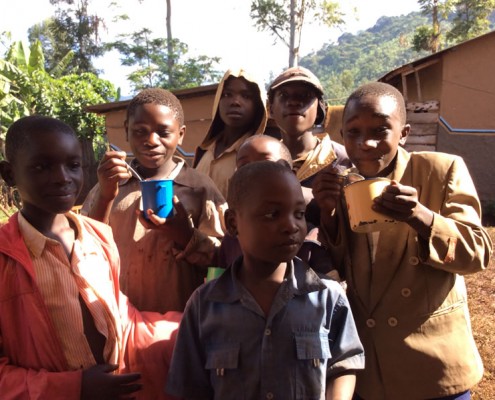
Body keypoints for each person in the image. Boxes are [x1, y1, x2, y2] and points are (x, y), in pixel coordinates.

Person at [313, 82, 493, 400]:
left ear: (404, 133)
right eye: (353, 132)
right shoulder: (344, 185)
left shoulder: (440, 171)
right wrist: (327, 214)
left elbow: (477, 254)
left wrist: (421, 217)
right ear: (342, 138)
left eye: (380, 130)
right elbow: (343, 271)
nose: (365, 143)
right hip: (369, 370)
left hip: (432, 366)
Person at [0, 115, 181, 400]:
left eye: (73, 166)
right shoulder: (5, 258)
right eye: (41, 167)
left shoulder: (99, 237)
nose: (62, 178)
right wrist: (75, 388)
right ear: (9, 174)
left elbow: (120, 320)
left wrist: (187, 329)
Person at [166, 161, 364, 399]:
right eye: (272, 214)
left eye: (299, 214)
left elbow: (344, 364)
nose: (291, 226)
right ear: (232, 223)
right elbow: (189, 386)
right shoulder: (204, 305)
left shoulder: (328, 297)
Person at [82, 87, 226, 313]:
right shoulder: (111, 185)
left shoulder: (199, 188)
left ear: (181, 134)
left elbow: (223, 256)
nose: (151, 140)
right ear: (127, 131)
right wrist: (105, 195)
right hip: (120, 318)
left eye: (163, 132)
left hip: (179, 323)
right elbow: (85, 247)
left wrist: (186, 237)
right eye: (140, 131)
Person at [216, 134, 340, 280]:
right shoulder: (231, 241)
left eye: (299, 214)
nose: (255, 174)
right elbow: (217, 285)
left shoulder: (310, 242)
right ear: (232, 223)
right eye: (245, 166)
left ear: (292, 176)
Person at [267, 65, 352, 228]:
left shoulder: (342, 161)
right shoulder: (263, 161)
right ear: (270, 108)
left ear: (321, 109)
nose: (293, 102)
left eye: (305, 96)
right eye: (284, 95)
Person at [193, 68, 268, 198]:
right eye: (227, 94)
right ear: (218, 101)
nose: (235, 102)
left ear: (258, 105)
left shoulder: (259, 156)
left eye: (246, 96)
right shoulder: (203, 151)